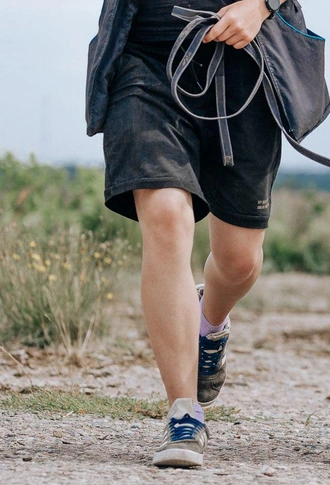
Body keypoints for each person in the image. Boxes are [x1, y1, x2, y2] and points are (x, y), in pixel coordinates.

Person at [86, 0, 297, 468]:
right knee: (164, 214)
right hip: (145, 59)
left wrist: (263, 5)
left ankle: (210, 322)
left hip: (247, 62)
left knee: (240, 261)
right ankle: (185, 413)